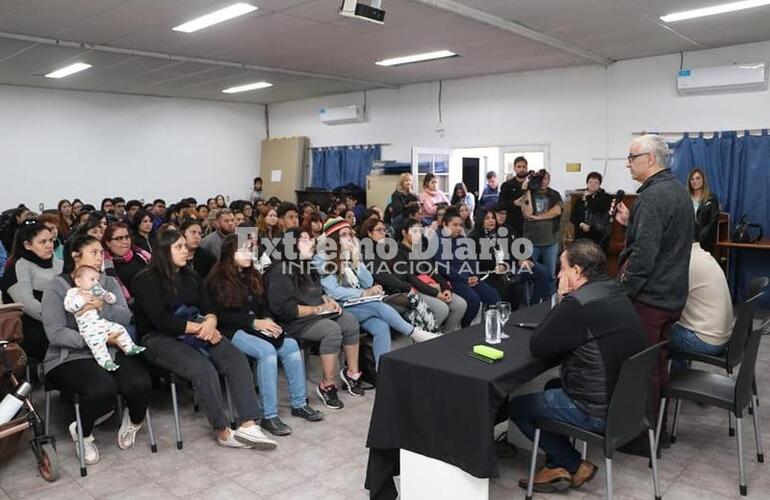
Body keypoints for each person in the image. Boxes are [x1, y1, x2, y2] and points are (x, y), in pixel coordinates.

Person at [509, 240, 647, 493]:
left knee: (517, 406)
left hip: (595, 409)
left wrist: (562, 299)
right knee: (551, 384)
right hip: (628, 404)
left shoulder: (577, 303)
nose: (558, 274)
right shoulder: (616, 290)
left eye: (562, 268)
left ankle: (573, 465)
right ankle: (554, 466)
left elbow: (540, 345)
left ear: (578, 271)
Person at [133, 229, 277, 450]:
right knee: (203, 369)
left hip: (197, 328)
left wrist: (210, 322)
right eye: (178, 247)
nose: (185, 250)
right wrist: (201, 327)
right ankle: (223, 430)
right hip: (158, 338)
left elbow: (209, 307)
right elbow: (161, 320)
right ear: (163, 251)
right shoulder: (145, 279)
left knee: (235, 358)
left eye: (185, 246)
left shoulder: (190, 275)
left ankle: (248, 424)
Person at [41, 233, 152, 464]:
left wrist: (102, 307)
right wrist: (92, 340)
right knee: (103, 389)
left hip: (110, 349)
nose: (100, 258)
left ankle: (133, 422)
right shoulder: (58, 287)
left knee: (140, 384)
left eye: (101, 253)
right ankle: (83, 433)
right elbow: (56, 332)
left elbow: (125, 315)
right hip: (70, 355)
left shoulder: (107, 282)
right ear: (75, 256)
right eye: (94, 253)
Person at [614, 134, 692, 449]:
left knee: (642, 371)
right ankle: (655, 431)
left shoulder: (650, 197)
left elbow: (643, 260)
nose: (628, 163)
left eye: (632, 157)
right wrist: (631, 222)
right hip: (671, 294)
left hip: (650, 298)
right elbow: (666, 237)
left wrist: (622, 295)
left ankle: (642, 438)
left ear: (650, 159)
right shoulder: (677, 191)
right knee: (657, 365)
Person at [207, 235, 324, 435]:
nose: (249, 254)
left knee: (291, 346)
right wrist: (254, 322)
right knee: (267, 351)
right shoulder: (216, 279)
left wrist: (268, 320)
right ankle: (269, 415)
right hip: (232, 330)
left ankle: (299, 403)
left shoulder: (252, 275)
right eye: (243, 250)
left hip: (256, 326)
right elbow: (222, 316)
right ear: (230, 254)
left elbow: (263, 307)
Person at [314, 218, 439, 364]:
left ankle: (382, 372)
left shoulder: (349, 256)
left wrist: (357, 261)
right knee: (379, 306)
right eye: (343, 235)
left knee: (381, 326)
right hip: (339, 306)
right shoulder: (322, 259)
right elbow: (333, 291)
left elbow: (367, 282)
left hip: (358, 304)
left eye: (350, 234)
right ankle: (415, 333)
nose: (348, 238)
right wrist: (363, 293)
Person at [266, 228, 364, 410]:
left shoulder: (308, 266)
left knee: (349, 321)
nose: (312, 243)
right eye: (305, 240)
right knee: (331, 330)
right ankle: (327, 385)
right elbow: (285, 310)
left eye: (311, 239)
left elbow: (316, 292)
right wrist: (317, 308)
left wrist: (327, 300)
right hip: (293, 322)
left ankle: (352, 374)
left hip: (313, 315)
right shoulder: (281, 270)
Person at [1, 221, 64, 360]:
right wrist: (61, 320)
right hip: (34, 326)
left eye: (51, 240)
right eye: (42, 242)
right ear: (27, 245)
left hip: (64, 320)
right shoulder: (17, 267)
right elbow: (28, 304)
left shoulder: (60, 264)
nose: (49, 245)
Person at [63, 265, 145, 371]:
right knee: (97, 344)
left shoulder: (97, 290)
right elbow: (69, 306)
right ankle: (105, 362)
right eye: (92, 279)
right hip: (89, 328)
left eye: (97, 280)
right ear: (79, 282)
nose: (96, 283)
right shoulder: (74, 293)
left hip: (103, 323)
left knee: (119, 328)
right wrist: (82, 300)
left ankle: (129, 347)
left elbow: (110, 299)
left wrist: (109, 297)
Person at [669, 239, 734, 371]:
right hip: (721, 336)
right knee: (672, 326)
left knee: (655, 334)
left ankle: (659, 386)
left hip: (707, 340)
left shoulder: (687, 262)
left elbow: (668, 299)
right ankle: (679, 381)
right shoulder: (703, 256)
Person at [392, 218, 467, 332]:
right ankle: (426, 338)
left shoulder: (420, 249)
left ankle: (446, 334)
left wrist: (445, 288)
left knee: (460, 305)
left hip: (430, 287)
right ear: (404, 233)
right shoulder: (397, 252)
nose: (418, 235)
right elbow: (411, 279)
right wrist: (436, 293)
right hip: (413, 290)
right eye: (414, 232)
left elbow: (433, 271)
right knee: (442, 309)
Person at [471, 208, 549, 308]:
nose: (491, 221)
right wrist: (501, 267)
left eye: (492, 218)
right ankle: (508, 314)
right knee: (513, 287)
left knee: (542, 272)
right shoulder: (474, 238)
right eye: (487, 218)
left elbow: (518, 246)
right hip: (489, 274)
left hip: (511, 267)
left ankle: (535, 305)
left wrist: (526, 259)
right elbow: (478, 263)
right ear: (480, 220)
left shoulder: (502, 231)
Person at [435, 208, 500, 327]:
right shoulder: (438, 242)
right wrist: (465, 279)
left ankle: (493, 327)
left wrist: (474, 275)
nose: (458, 228)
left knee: (492, 295)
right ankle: (465, 328)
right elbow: (443, 267)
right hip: (453, 280)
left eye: (460, 225)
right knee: (473, 300)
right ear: (445, 224)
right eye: (454, 225)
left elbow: (472, 260)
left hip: (470, 277)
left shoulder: (462, 240)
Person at [521, 170, 563, 296]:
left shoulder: (553, 194)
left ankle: (551, 299)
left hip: (550, 241)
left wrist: (538, 217)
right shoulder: (530, 193)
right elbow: (527, 213)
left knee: (550, 274)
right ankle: (532, 301)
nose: (543, 181)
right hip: (531, 241)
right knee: (530, 272)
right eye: (541, 179)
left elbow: (557, 211)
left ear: (549, 180)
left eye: (545, 179)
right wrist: (526, 190)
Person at [102, 222, 150, 306]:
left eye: (127, 237)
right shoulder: (105, 267)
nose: (125, 241)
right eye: (119, 238)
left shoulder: (140, 256)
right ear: (108, 243)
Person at [569, 172, 612, 246]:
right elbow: (573, 216)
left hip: (598, 236)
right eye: (590, 182)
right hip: (581, 236)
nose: (593, 184)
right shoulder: (580, 200)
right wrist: (581, 224)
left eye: (596, 182)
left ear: (599, 185)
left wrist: (588, 198)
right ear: (587, 183)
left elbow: (597, 208)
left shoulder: (606, 197)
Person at [688, 168, 719, 253]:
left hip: (705, 241)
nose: (695, 181)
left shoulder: (711, 198)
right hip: (687, 240)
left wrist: (702, 235)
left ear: (703, 180)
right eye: (692, 179)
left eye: (698, 178)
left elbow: (714, 220)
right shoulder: (685, 198)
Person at [498, 157, 530, 236]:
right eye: (519, 166)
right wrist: (514, 203)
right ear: (514, 168)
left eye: (524, 167)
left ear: (527, 168)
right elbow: (500, 204)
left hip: (530, 224)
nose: (521, 169)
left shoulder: (532, 185)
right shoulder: (507, 185)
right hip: (512, 224)